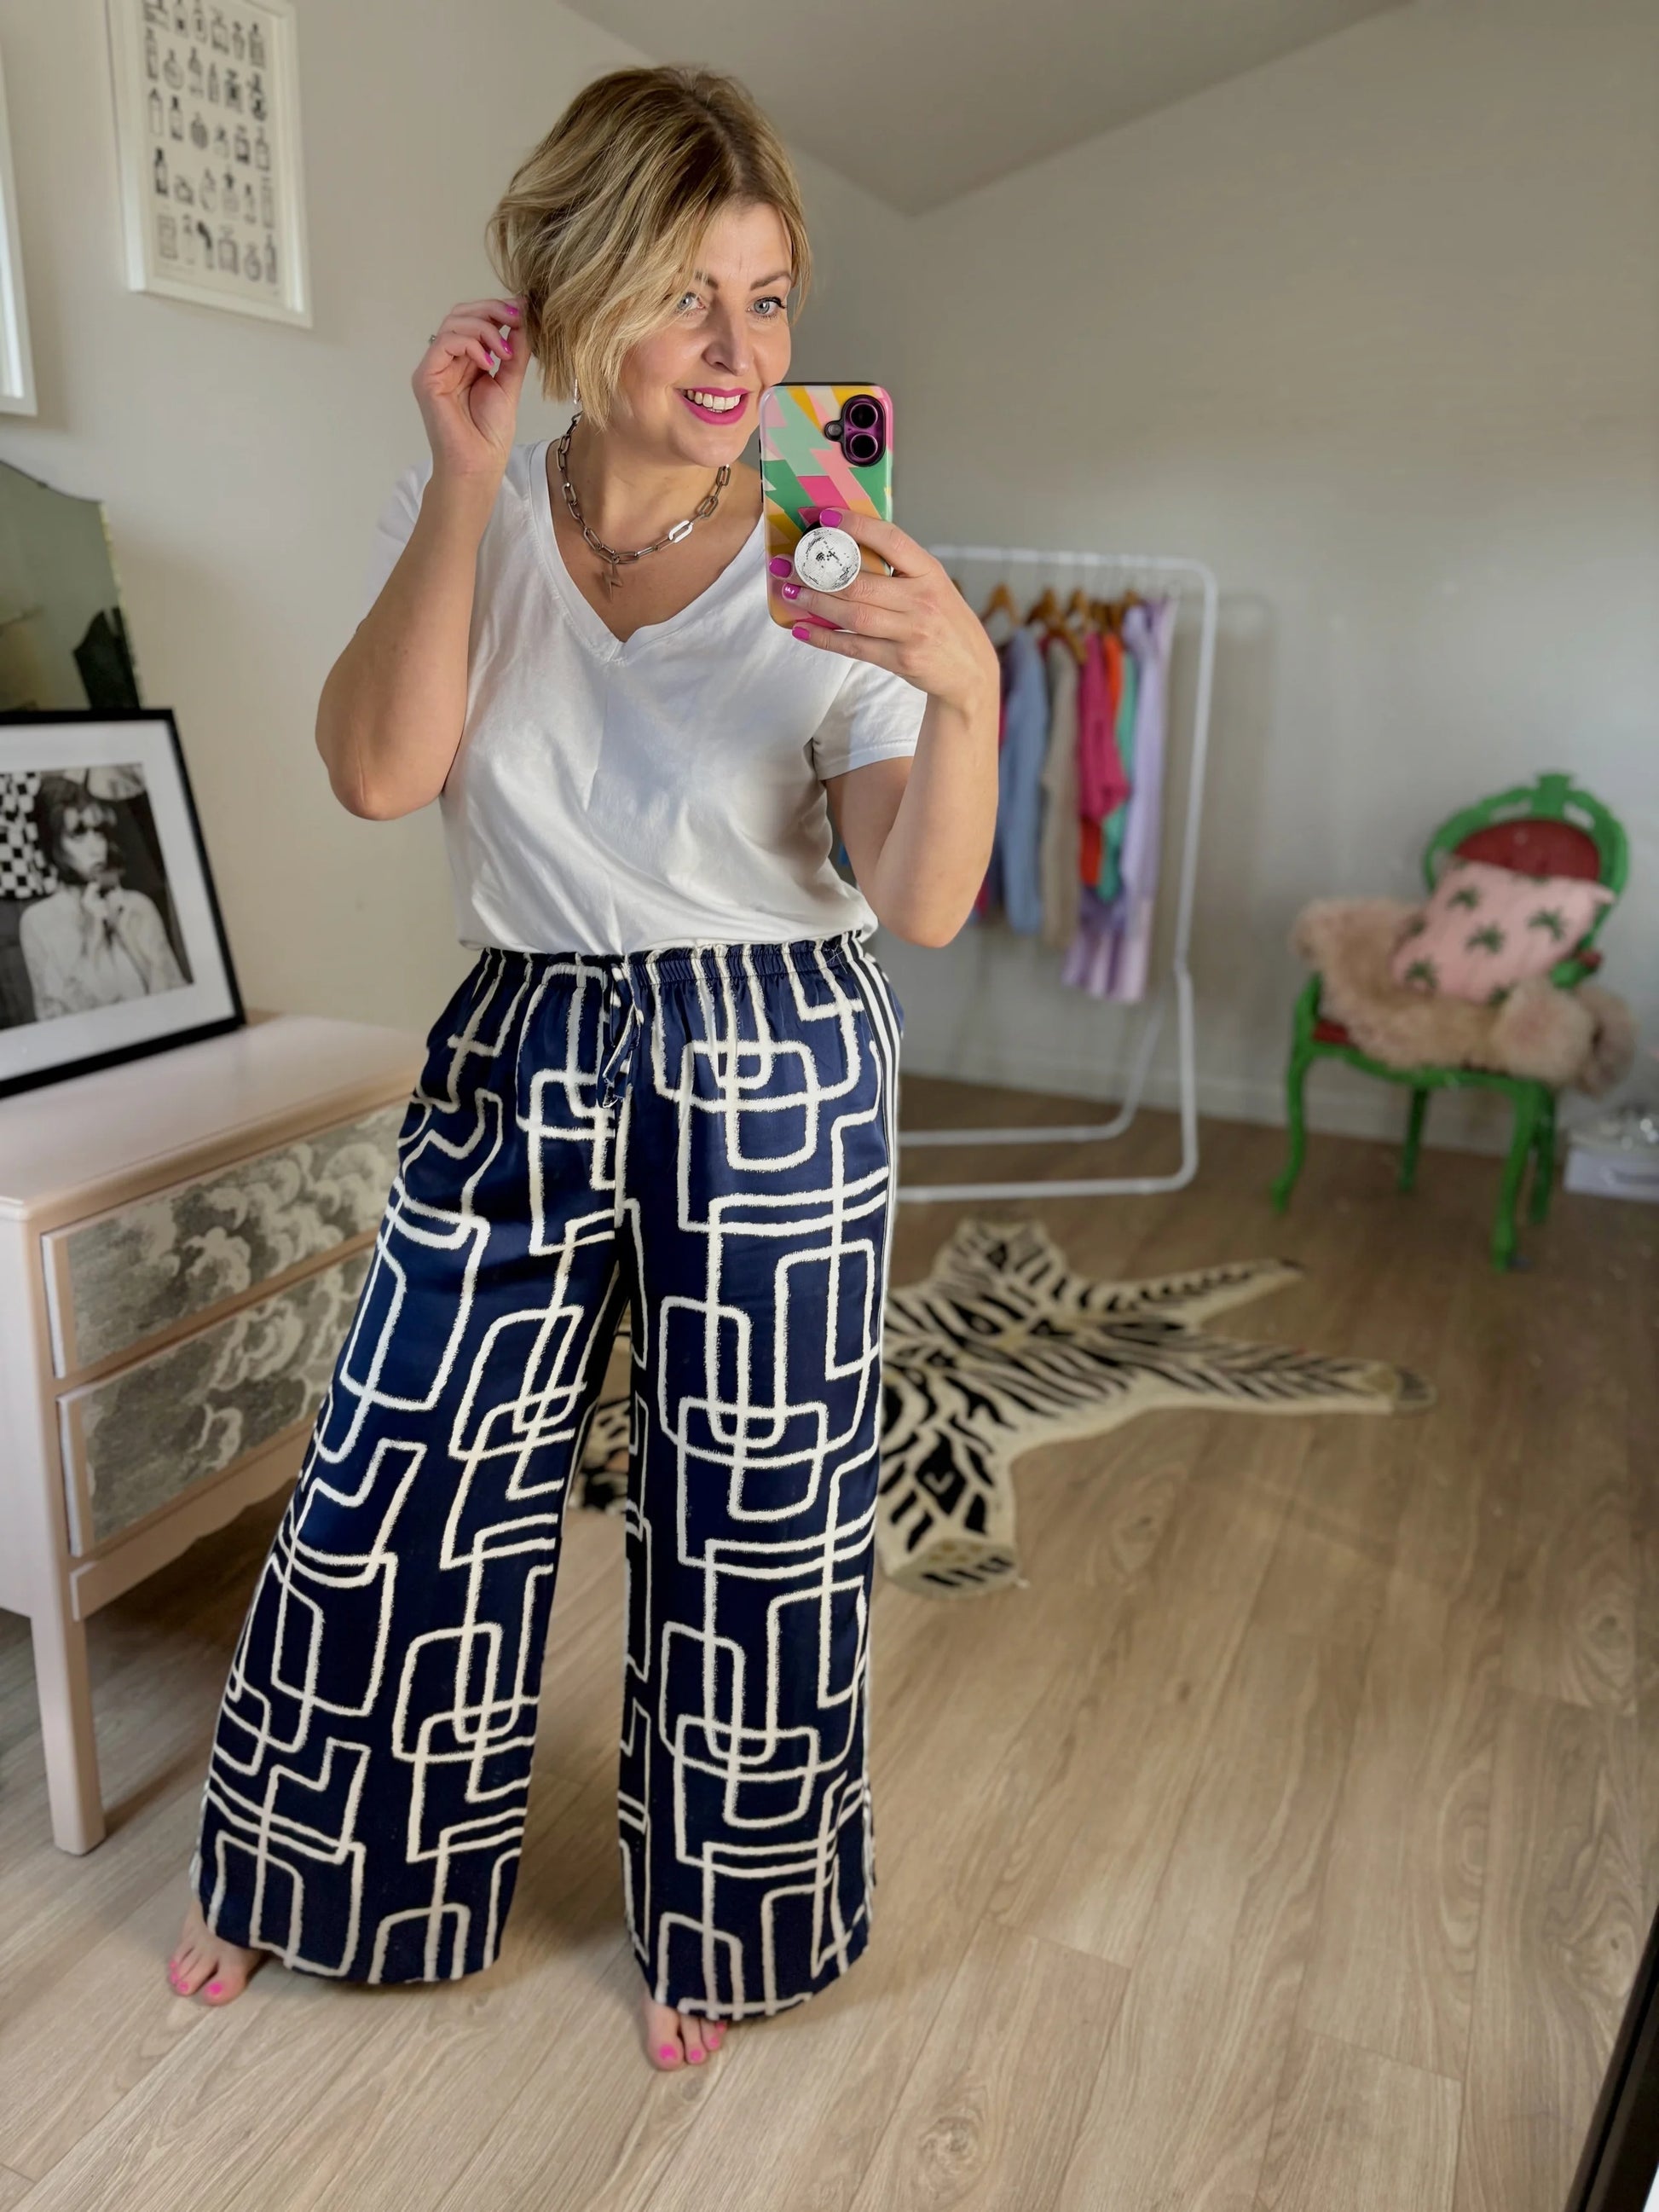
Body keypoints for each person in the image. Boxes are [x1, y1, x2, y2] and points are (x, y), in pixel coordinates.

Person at [166, 63, 997, 2071]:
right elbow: (379, 772)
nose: (739, 351)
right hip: (526, 1022)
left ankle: (729, 1915)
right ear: (565, 287)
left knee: (759, 1505)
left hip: (775, 1038)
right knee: (398, 1458)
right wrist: (459, 485)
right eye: (687, 292)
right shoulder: (473, 506)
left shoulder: (828, 537)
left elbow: (924, 894)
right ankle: (320, 1863)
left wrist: (960, 682)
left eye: (772, 298)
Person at [20, 773, 186, 1019]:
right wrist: (91, 942)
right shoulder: (38, 921)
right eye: (78, 834)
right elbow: (58, 1023)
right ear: (53, 843)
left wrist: (127, 936)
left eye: (98, 832)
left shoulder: (137, 906)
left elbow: (178, 1003)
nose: (96, 846)